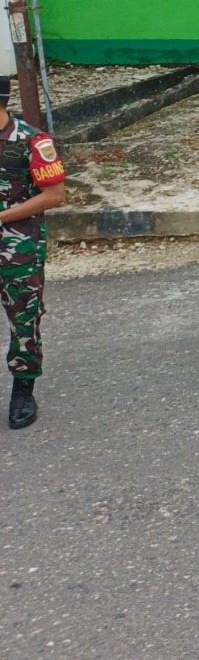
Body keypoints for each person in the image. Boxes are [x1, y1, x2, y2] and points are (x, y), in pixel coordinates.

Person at [0, 76, 65, 429]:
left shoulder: (32, 141)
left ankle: (23, 390)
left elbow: (54, 195)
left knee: (23, 319)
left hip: (17, 247)